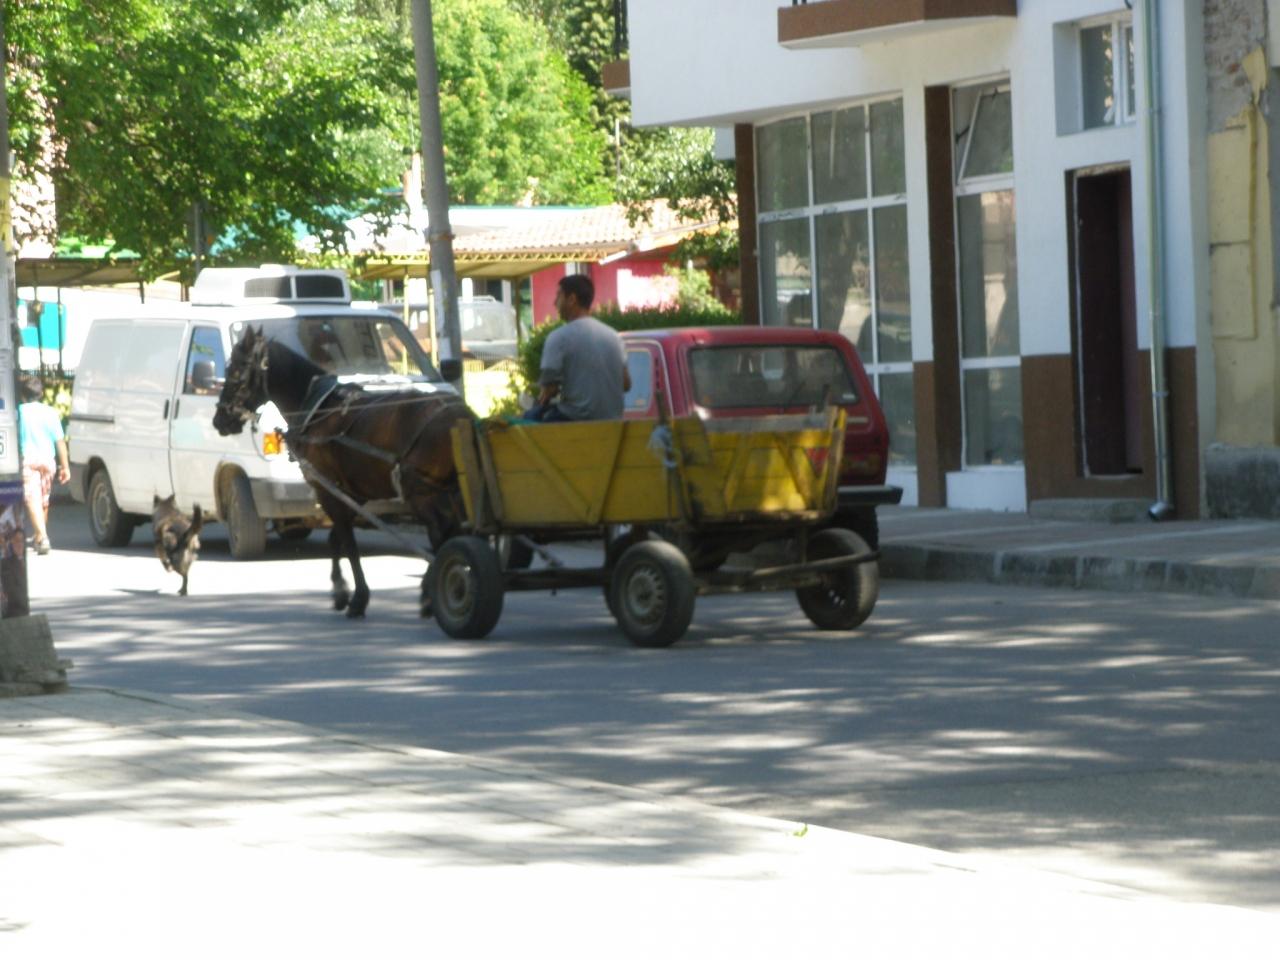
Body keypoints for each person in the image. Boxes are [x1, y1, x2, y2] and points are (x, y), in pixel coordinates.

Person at [526, 274, 630, 422]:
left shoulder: (558, 338)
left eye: (558, 296)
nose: (555, 303)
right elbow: (626, 384)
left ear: (571, 299)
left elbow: (549, 389)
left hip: (574, 420)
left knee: (530, 417)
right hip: (613, 421)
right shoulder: (614, 337)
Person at [18, 374, 70, 555]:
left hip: (27, 459)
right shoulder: (50, 412)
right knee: (43, 500)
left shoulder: (19, 412)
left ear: (22, 394)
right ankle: (39, 538)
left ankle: (43, 536)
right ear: (40, 393)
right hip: (48, 459)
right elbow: (60, 441)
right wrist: (65, 466)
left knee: (31, 498)